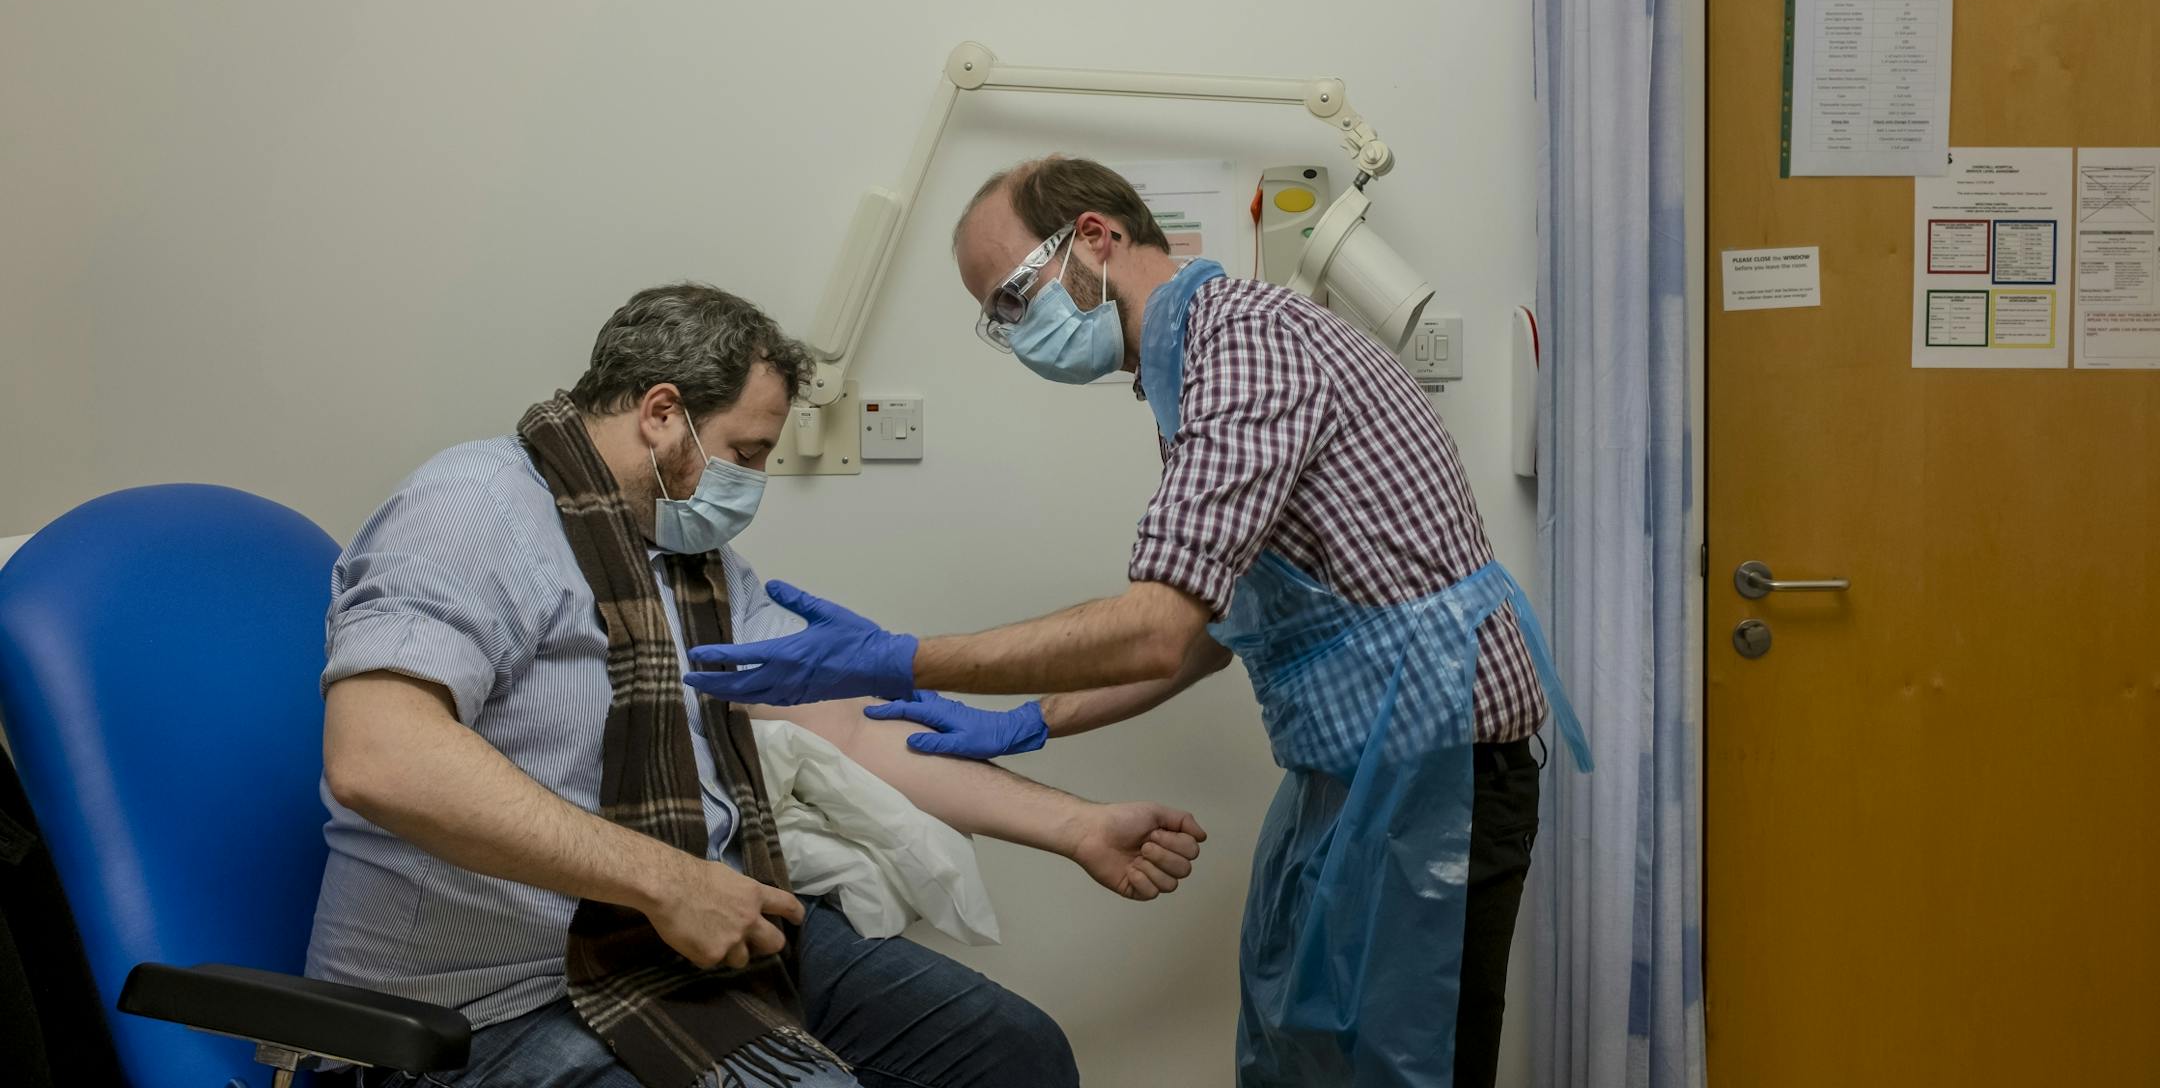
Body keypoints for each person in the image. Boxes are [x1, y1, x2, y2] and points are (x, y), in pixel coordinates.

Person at [686, 159, 1589, 1088]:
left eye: (1009, 298)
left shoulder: (1249, 348)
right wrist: (1034, 719)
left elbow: (1158, 625)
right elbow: (1216, 627)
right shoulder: (1193, 370)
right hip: (1361, 770)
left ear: (1094, 238)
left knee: (1407, 1067)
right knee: (1307, 1054)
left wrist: (896, 658)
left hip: (1435, 772)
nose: (1010, 329)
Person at [307, 282, 1207, 1088]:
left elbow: (846, 727)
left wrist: (1077, 826)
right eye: (747, 450)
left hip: (683, 940)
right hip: (492, 1000)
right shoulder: (472, 509)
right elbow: (381, 758)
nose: (756, 480)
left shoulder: (689, 561)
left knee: (1014, 1055)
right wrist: (666, 881)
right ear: (663, 413)